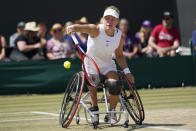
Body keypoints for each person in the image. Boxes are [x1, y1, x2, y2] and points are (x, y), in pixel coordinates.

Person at [66, 6, 135, 123]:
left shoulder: (120, 36)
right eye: (107, 18)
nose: (109, 21)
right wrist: (72, 27)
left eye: (113, 19)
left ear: (117, 21)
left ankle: (111, 113)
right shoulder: (96, 29)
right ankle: (94, 108)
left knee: (115, 85)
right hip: (90, 64)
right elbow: (81, 27)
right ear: (103, 19)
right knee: (92, 82)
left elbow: (119, 55)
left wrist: (127, 72)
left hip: (108, 65)